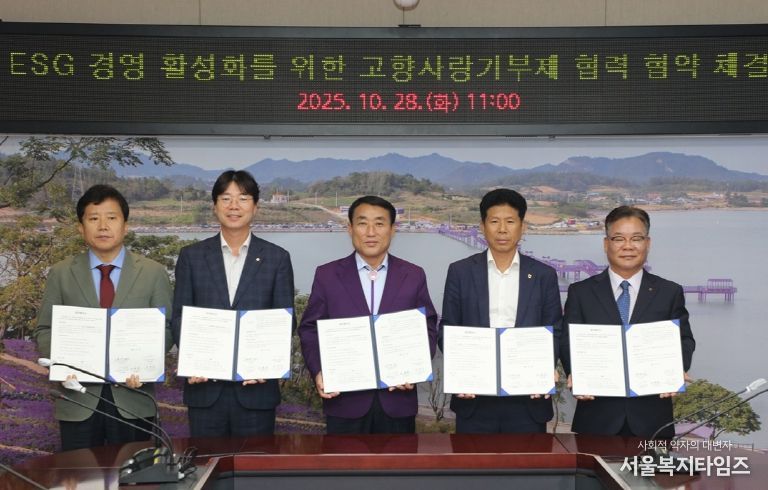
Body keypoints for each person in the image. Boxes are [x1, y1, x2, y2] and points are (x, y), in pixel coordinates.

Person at [34, 184, 173, 451]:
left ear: (125, 225)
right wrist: (62, 362)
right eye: (93, 218)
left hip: (133, 399)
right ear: (81, 227)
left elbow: (166, 328)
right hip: (77, 401)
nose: (103, 226)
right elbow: (44, 329)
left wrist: (146, 365)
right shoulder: (61, 273)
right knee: (79, 471)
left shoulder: (153, 272)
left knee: (134, 472)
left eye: (111, 217)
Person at [298, 195, 438, 434]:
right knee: (344, 459)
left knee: (399, 458)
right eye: (362, 223)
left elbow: (428, 326)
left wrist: (414, 367)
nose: (371, 232)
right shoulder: (327, 275)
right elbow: (310, 328)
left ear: (393, 230)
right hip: (344, 400)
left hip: (397, 401)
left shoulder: (413, 275)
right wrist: (319, 370)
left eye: (380, 223)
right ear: (350, 228)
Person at [171, 170, 294, 437]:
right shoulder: (192, 257)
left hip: (257, 390)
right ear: (215, 206)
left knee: (255, 461)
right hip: (204, 389)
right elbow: (180, 316)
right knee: (207, 460)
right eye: (226, 199)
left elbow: (285, 322)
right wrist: (194, 360)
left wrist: (266, 363)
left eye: (243, 198)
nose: (234, 206)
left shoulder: (277, 258)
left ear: (256, 207)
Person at [560, 205, 695, 438]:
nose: (628, 246)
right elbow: (568, 341)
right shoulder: (580, 292)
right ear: (606, 244)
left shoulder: (669, 292)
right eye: (619, 238)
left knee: (652, 465)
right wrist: (578, 374)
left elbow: (684, 340)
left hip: (653, 418)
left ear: (648, 243)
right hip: (596, 416)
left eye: (636, 238)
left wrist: (675, 369)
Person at [439, 188, 562, 433]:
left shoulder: (543, 275)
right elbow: (448, 328)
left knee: (528, 458)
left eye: (510, 222)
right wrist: (462, 369)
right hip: (474, 398)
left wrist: (543, 368)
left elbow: (555, 330)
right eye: (494, 221)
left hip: (528, 399)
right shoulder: (460, 272)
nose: (502, 229)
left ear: (522, 227)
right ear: (482, 226)